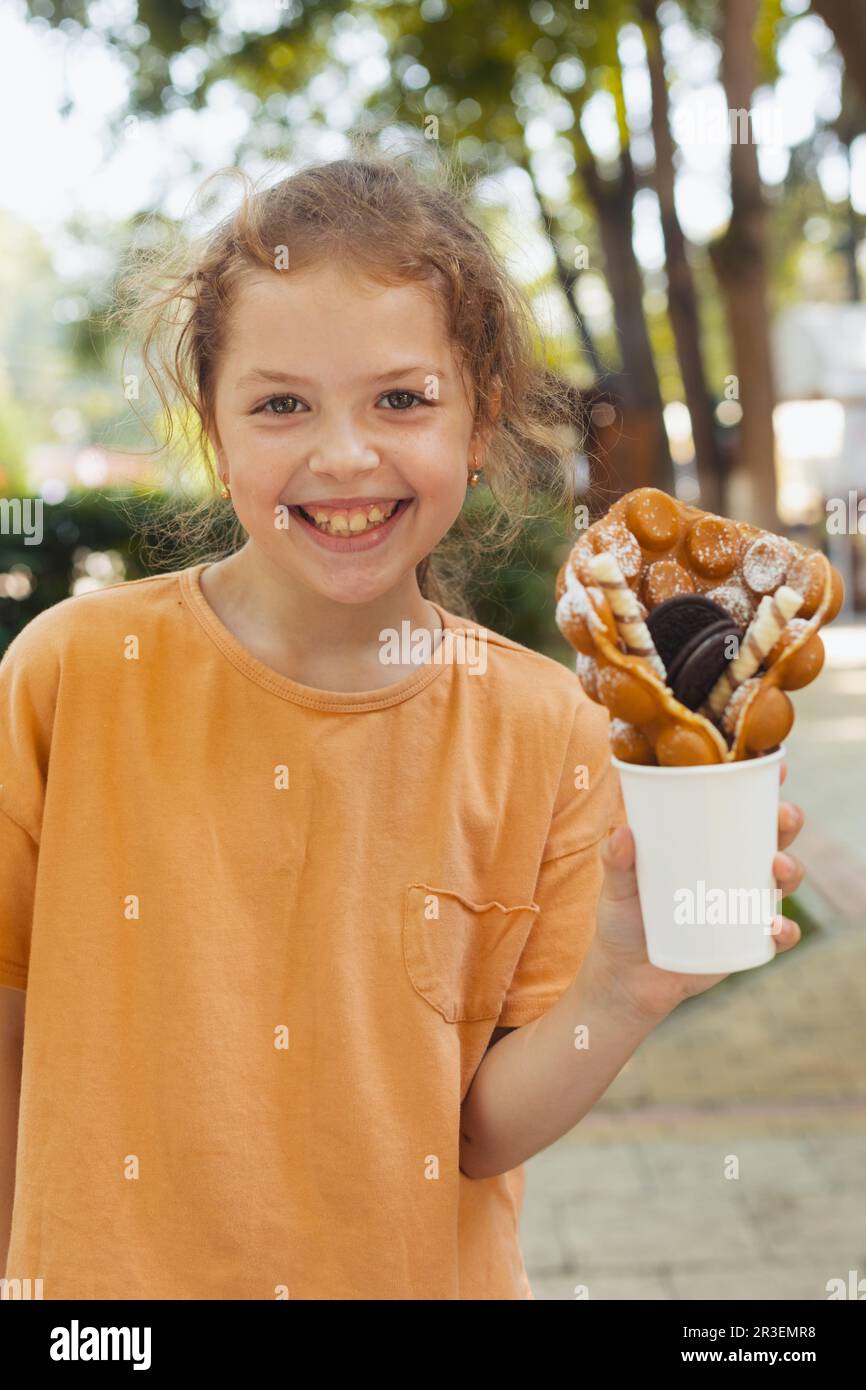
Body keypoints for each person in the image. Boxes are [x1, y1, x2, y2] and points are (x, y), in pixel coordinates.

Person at [0, 155, 807, 1300]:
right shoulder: (70, 677)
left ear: (476, 420)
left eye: (401, 399)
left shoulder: (548, 733)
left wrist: (622, 985)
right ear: (213, 429)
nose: (342, 455)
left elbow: (479, 1130)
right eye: (281, 403)